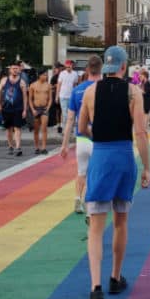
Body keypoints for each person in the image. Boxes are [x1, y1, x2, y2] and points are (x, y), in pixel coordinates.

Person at [78, 47, 150, 299]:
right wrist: (147, 168)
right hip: (123, 157)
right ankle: (115, 277)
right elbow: (141, 132)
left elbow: (82, 127)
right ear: (123, 67)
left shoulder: (89, 92)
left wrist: (97, 130)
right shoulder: (133, 93)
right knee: (121, 221)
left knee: (96, 227)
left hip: (101, 156)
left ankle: (95, 286)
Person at [60, 55, 103, 216]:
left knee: (81, 172)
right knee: (96, 173)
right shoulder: (103, 89)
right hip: (97, 138)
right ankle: (90, 205)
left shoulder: (77, 90)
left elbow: (70, 119)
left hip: (81, 138)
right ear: (101, 69)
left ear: (86, 70)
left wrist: (64, 144)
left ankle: (77, 198)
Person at [0, 63, 28, 156]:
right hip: (6, 108)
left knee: (17, 128)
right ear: (10, 70)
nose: (15, 70)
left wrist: (25, 110)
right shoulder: (4, 80)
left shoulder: (22, 82)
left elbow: (25, 97)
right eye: (13, 68)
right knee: (8, 129)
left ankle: (18, 147)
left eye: (16, 68)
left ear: (19, 70)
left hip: (18, 108)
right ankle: (10, 146)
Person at [29, 69, 53, 154]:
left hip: (44, 109)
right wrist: (32, 109)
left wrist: (48, 107)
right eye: (44, 75)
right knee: (36, 129)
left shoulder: (48, 85)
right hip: (36, 108)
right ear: (39, 76)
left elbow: (50, 98)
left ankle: (44, 147)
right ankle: (36, 147)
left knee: (44, 128)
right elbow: (30, 99)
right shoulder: (33, 85)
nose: (46, 77)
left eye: (46, 75)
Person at [56, 60, 79, 134]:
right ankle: (65, 129)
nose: (68, 68)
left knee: (71, 113)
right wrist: (57, 96)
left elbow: (75, 85)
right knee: (64, 113)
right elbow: (59, 85)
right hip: (63, 96)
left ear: (72, 66)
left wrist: (75, 95)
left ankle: (70, 128)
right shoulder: (62, 74)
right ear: (65, 66)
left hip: (71, 96)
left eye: (69, 66)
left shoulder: (75, 74)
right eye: (67, 67)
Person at [49, 63, 63, 131]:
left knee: (63, 110)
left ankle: (62, 124)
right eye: (56, 69)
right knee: (57, 111)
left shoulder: (64, 75)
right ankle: (58, 124)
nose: (56, 70)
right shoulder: (54, 77)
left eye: (58, 69)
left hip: (63, 95)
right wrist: (56, 85)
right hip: (56, 95)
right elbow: (50, 86)